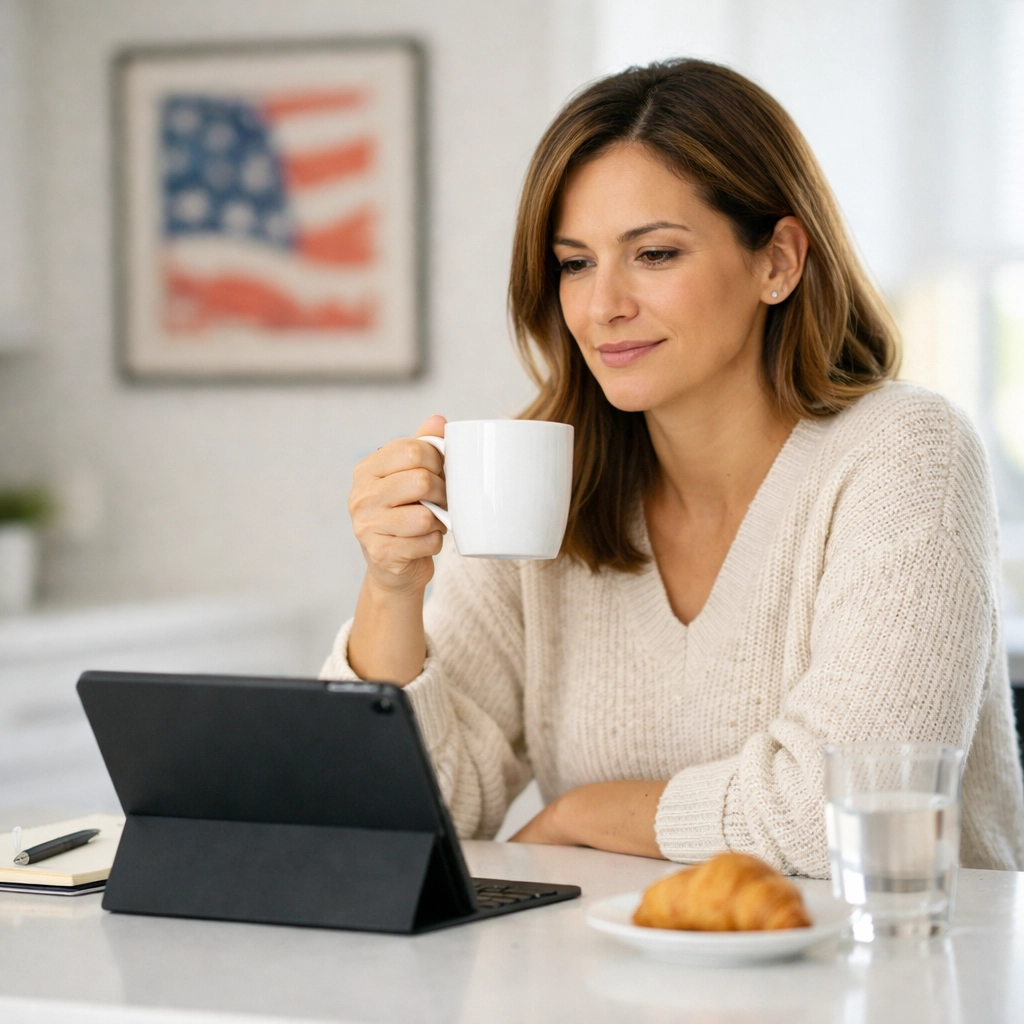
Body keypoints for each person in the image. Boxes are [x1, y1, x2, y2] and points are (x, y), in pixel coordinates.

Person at [322, 59, 1024, 876]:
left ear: (778, 261)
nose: (602, 306)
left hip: (894, 954)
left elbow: (846, 810)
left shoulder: (907, 451)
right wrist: (392, 586)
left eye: (654, 254)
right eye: (575, 263)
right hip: (608, 959)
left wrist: (584, 814)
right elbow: (403, 817)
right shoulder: (537, 481)